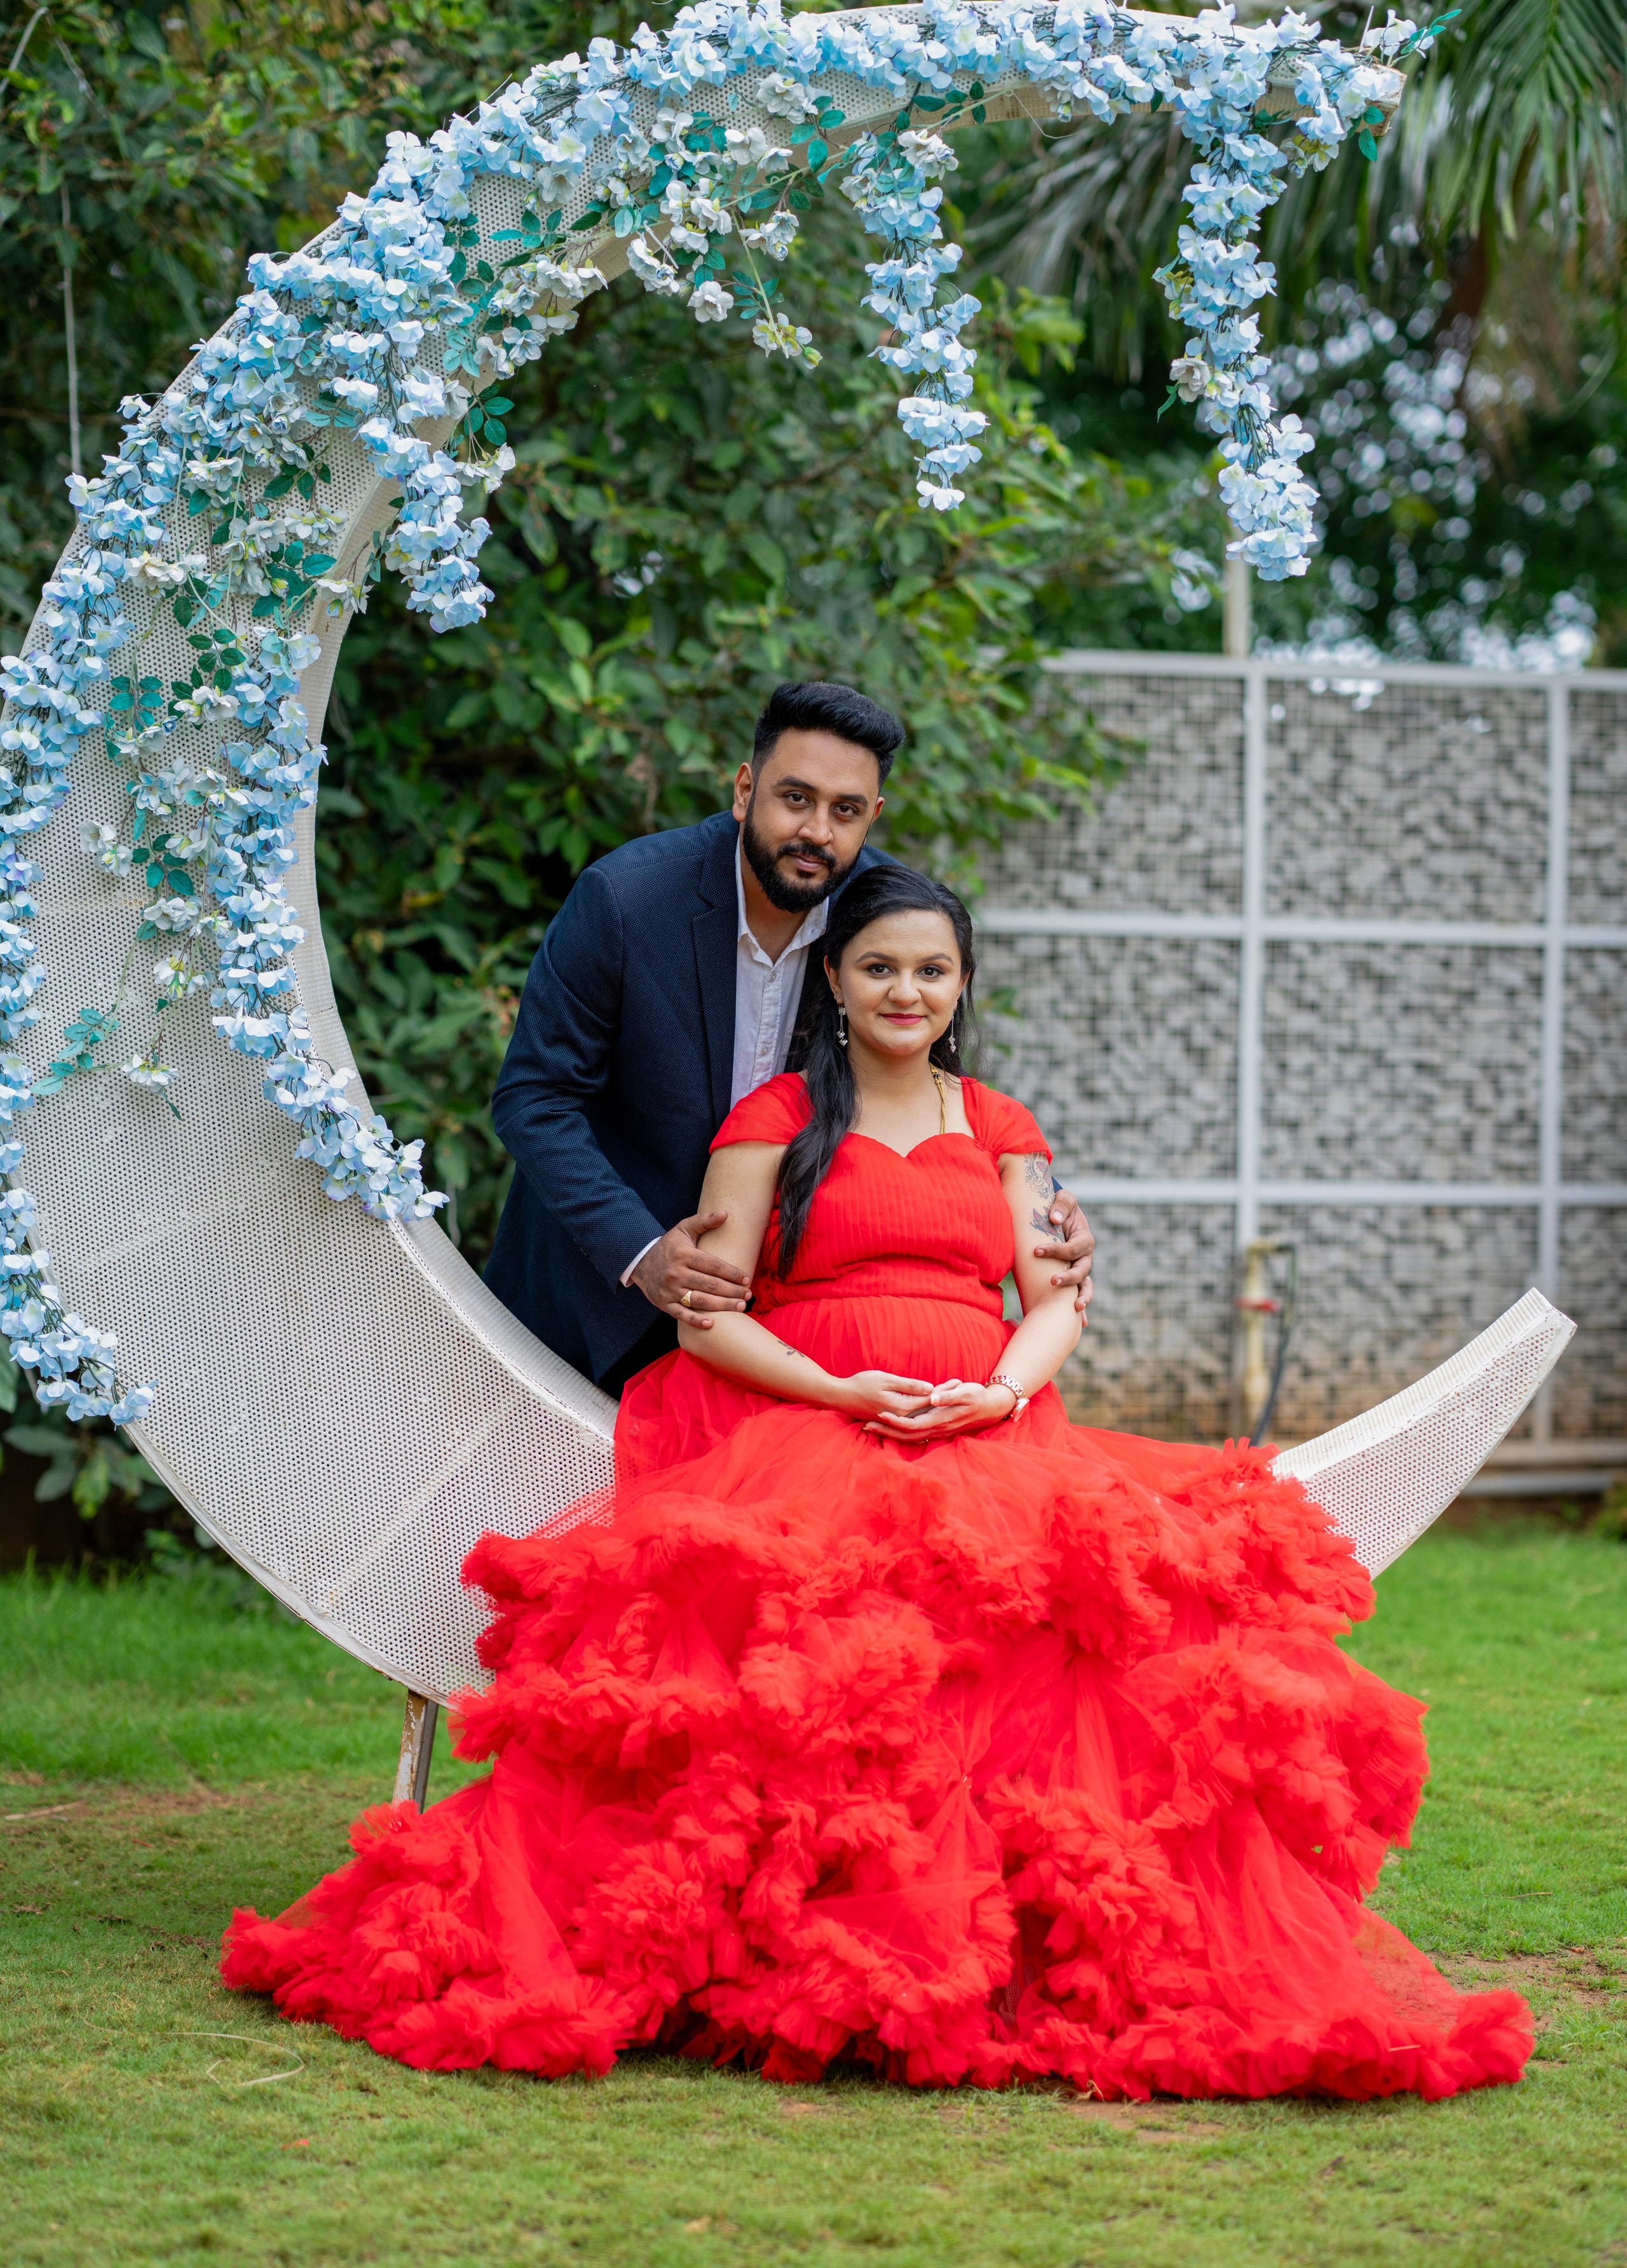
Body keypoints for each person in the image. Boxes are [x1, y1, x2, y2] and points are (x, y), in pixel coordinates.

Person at [224, 866, 1531, 2102]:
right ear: (836, 983)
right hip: (807, 1416)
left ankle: (1010, 1944)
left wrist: (1002, 1391)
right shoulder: (776, 1119)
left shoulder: (1000, 1125)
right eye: (880, 968)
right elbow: (706, 1317)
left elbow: (1055, 1300)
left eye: (932, 970)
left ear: (959, 986)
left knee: (1065, 1659)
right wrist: (838, 1391)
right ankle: (805, 1935)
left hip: (984, 1429)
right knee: (813, 1664)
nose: (907, 991)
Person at [481, 677, 1093, 1392]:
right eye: (796, 798)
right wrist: (640, 1251)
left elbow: (921, 1086)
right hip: (592, 1301)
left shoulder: (882, 923)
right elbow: (535, 1098)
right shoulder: (626, 900)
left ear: (873, 817)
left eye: (846, 811)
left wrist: (1042, 1208)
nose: (817, 832)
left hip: (778, 1341)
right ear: (745, 791)